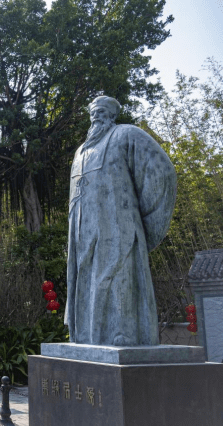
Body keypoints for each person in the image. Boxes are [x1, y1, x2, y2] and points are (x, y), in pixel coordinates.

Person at [65, 96, 177, 346]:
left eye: (102, 111)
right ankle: (86, 336)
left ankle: (122, 335)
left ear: (112, 115)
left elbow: (161, 172)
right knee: (86, 284)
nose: (97, 116)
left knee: (118, 283)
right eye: (93, 112)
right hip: (83, 234)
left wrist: (140, 222)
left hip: (118, 230)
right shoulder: (81, 151)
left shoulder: (127, 135)